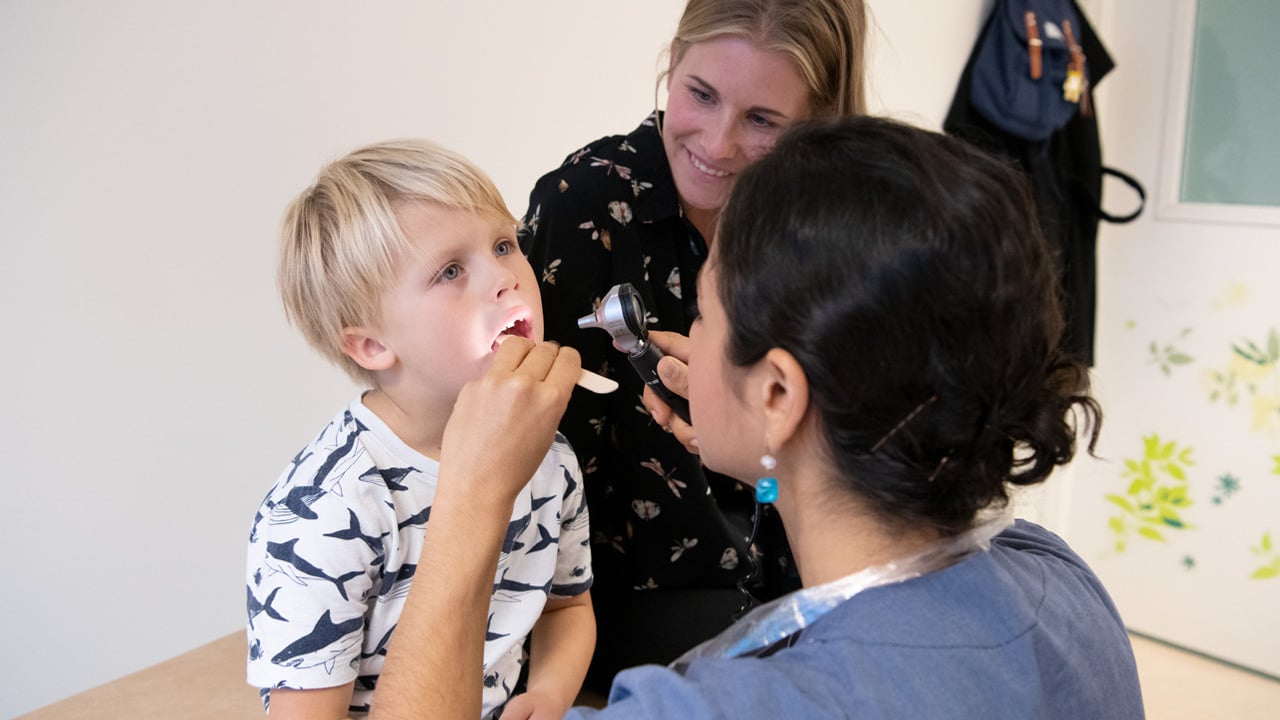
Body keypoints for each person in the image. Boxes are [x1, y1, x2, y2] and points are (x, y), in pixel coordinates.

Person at [368, 116, 1147, 719]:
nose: (686, 339)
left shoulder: (719, 705)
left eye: (703, 316)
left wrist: (472, 495)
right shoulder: (1055, 576)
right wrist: (773, 467)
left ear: (779, 395)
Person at [519, 0, 870, 687]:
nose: (716, 144)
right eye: (701, 95)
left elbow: (831, 448)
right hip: (625, 591)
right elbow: (530, 455)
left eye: (763, 120)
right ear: (672, 64)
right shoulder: (583, 204)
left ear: (817, 123)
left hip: (799, 554)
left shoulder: (826, 224)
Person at [244, 139, 595, 719]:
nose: (506, 277)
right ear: (373, 345)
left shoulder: (547, 452)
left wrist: (550, 693)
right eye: (451, 271)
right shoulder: (324, 510)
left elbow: (566, 609)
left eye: (505, 244)